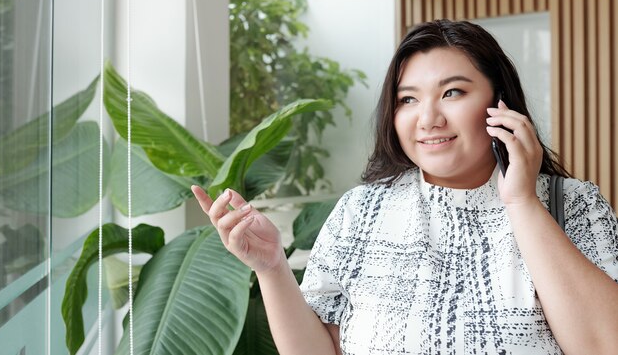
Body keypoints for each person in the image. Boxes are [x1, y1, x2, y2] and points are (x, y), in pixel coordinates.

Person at [191, 19, 618, 354]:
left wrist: (522, 201)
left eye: (452, 92)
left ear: (499, 102)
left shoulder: (574, 205)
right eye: (408, 99)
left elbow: (605, 345)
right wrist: (271, 269)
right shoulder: (361, 210)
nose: (428, 119)